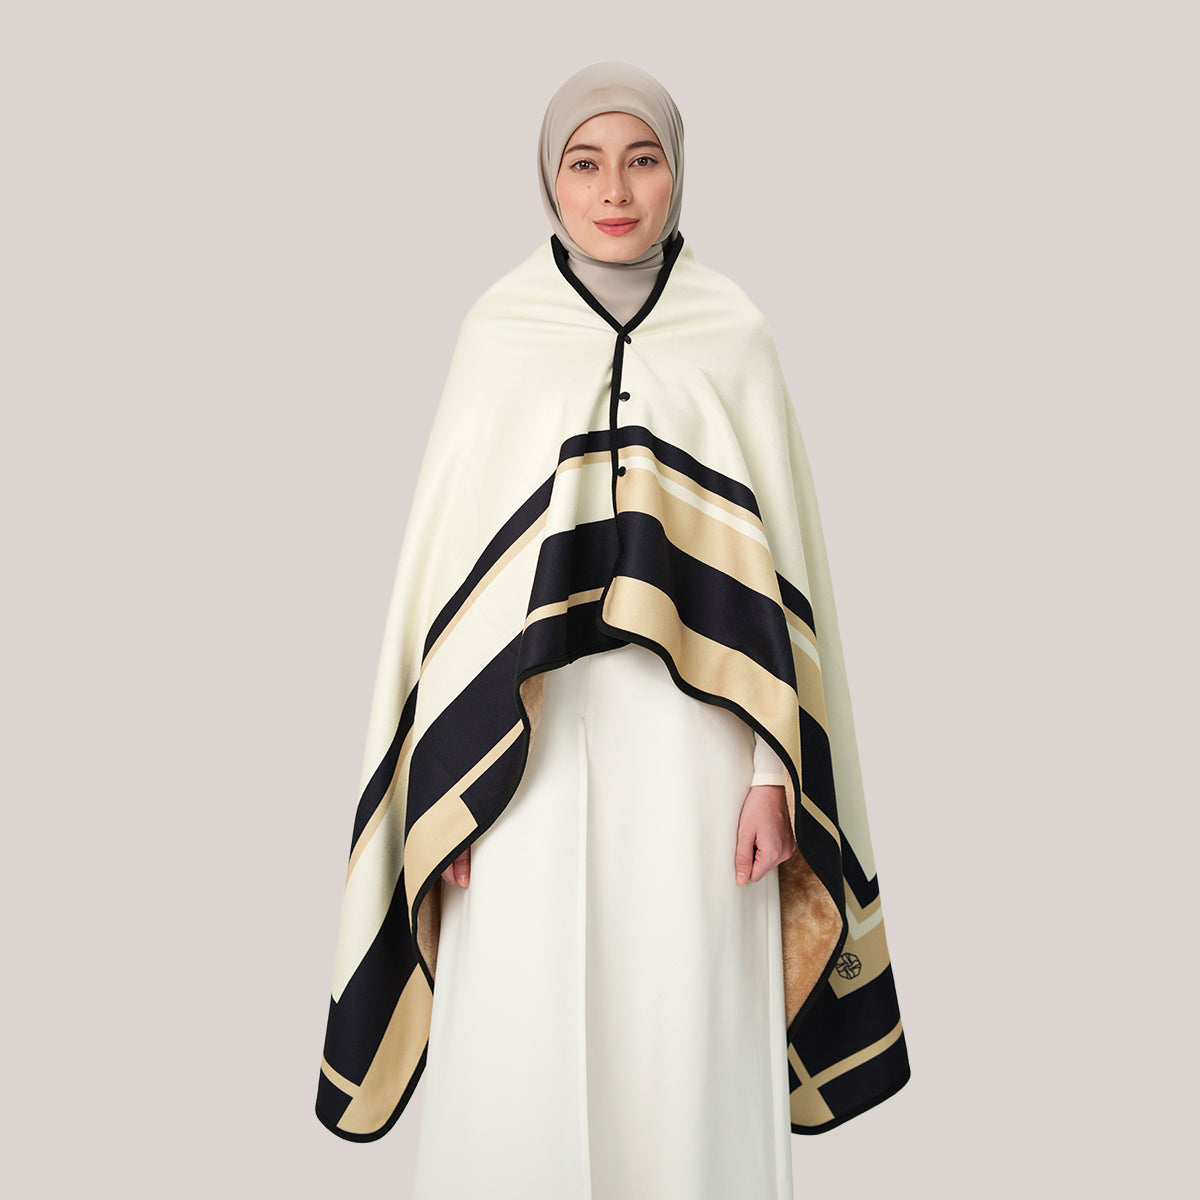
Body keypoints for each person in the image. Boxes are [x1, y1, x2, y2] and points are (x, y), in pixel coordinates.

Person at [314, 62, 910, 1199]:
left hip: (700, 755)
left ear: (677, 172)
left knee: (688, 1022)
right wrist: (448, 792)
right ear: (550, 180)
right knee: (524, 1014)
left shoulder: (733, 332)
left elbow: (782, 576)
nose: (615, 191)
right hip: (521, 752)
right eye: (585, 164)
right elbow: (446, 588)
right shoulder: (498, 332)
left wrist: (771, 777)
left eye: (643, 160)